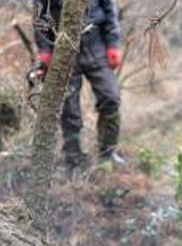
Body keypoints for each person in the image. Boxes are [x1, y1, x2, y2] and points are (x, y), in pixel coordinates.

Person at [30, 0, 125, 169]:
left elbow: (110, 9)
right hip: (62, 48)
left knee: (110, 97)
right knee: (68, 108)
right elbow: (39, 16)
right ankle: (73, 157)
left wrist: (113, 43)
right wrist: (44, 50)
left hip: (96, 44)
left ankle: (108, 153)